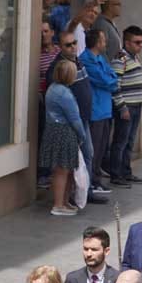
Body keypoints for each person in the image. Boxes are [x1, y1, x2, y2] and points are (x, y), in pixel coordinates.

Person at [42, 59, 93, 217]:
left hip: (55, 130)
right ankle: (58, 204)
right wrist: (82, 135)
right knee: (62, 170)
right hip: (63, 132)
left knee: (67, 169)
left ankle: (64, 202)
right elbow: (75, 118)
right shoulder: (64, 94)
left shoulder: (53, 88)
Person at [79, 30, 118, 193]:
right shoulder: (86, 60)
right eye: (103, 40)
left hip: (105, 109)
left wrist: (112, 80)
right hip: (95, 110)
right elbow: (106, 80)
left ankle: (96, 178)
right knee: (93, 149)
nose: (106, 43)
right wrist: (112, 80)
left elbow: (113, 76)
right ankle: (91, 181)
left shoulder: (100, 58)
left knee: (102, 148)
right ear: (97, 42)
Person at [109, 26, 142, 185]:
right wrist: (122, 107)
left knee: (130, 141)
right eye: (137, 42)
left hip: (136, 105)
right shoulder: (120, 59)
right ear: (127, 42)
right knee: (121, 141)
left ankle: (126, 171)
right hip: (127, 107)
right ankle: (116, 174)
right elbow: (115, 86)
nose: (140, 45)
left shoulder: (134, 57)